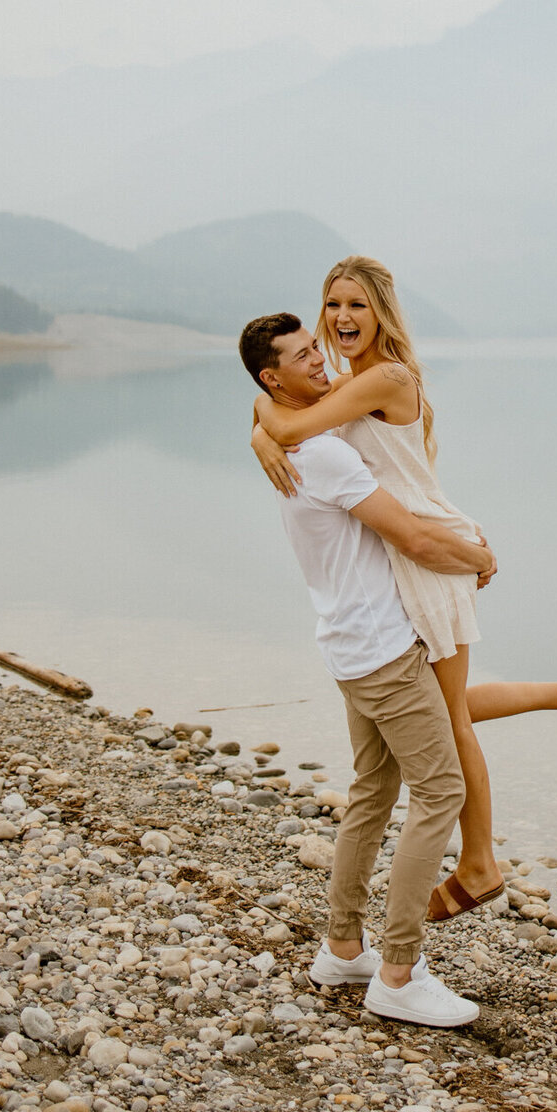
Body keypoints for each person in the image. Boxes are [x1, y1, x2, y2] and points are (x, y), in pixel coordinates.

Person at [248, 255, 557, 924]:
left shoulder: (384, 377)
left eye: (356, 305)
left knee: (444, 720)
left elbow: (291, 424)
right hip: (411, 547)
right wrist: (260, 422)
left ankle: (479, 864)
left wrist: (262, 432)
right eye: (332, 305)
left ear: (382, 312)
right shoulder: (349, 378)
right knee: (438, 708)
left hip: (429, 551)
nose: (340, 318)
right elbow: (280, 402)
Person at [238, 310, 491, 1027]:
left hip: (348, 644)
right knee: (439, 792)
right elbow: (409, 534)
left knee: (374, 793)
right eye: (302, 356)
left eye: (316, 348)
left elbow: (282, 421)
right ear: (271, 376)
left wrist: (263, 425)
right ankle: (399, 973)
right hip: (382, 649)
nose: (319, 361)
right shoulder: (322, 454)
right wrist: (479, 557)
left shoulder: (300, 439)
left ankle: (343, 946)